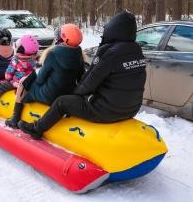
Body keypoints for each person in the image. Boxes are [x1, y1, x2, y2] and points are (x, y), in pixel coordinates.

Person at [18, 11, 147, 139]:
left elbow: (89, 83)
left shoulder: (110, 53)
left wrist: (72, 96)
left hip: (106, 110)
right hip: (132, 109)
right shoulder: (137, 50)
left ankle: (36, 129)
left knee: (61, 102)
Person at [5, 23, 85, 129]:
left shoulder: (52, 53)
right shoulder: (79, 55)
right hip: (66, 95)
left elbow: (40, 80)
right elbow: (80, 79)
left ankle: (15, 118)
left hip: (49, 96)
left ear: (64, 39)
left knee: (24, 81)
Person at [0, 34, 39, 116]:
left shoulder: (16, 60)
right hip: (27, 84)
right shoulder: (33, 61)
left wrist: (8, 78)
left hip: (15, 83)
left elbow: (8, 75)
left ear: (20, 49)